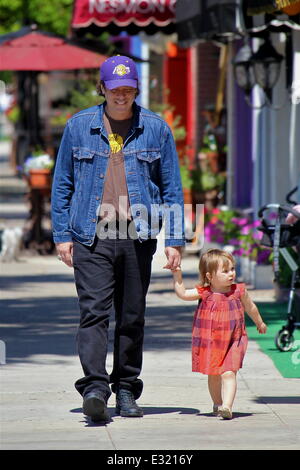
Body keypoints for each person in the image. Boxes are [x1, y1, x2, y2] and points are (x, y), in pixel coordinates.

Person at [51, 55, 185, 422]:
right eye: (115, 89)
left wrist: (175, 239)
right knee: (93, 313)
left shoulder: (156, 128)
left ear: (136, 89)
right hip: (91, 234)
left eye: (128, 89)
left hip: (136, 234)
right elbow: (62, 183)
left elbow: (172, 187)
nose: (122, 95)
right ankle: (95, 389)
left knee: (131, 316)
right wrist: (62, 235)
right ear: (103, 88)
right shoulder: (78, 126)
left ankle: (126, 388)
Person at [171, 248, 267, 420]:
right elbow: (183, 294)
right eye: (225, 271)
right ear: (209, 276)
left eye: (232, 269)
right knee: (214, 374)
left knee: (229, 372)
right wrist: (177, 276)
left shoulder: (239, 291)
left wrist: (259, 322)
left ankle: (227, 406)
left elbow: (251, 308)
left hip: (234, 339)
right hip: (211, 340)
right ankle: (217, 403)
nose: (231, 274)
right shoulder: (205, 293)